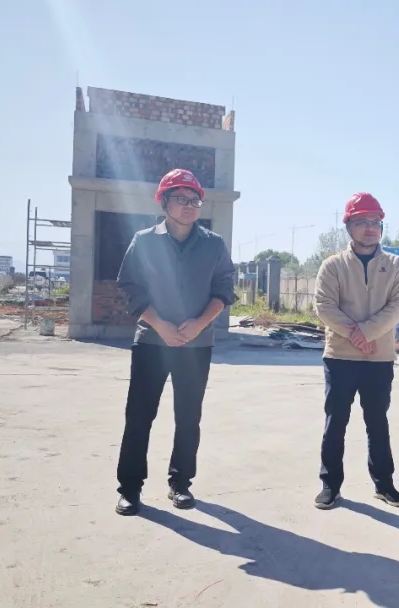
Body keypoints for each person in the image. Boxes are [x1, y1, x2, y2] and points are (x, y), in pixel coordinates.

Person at [114, 168, 237, 516]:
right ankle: (130, 489)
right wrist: (160, 325)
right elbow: (130, 287)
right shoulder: (144, 241)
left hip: (196, 346)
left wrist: (199, 324)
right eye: (181, 198)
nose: (189, 205)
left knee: (188, 417)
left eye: (194, 200)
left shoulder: (214, 245)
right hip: (152, 342)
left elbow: (224, 289)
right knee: (139, 416)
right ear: (164, 202)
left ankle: (180, 483)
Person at [313, 192, 399, 510]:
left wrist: (365, 333)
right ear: (348, 226)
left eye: (375, 222)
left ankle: (384, 484)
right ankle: (330, 485)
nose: (370, 228)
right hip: (340, 357)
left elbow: (397, 306)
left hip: (379, 358)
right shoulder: (333, 266)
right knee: (335, 422)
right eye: (362, 222)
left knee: (377, 422)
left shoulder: (394, 265)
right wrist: (356, 336)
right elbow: (324, 307)